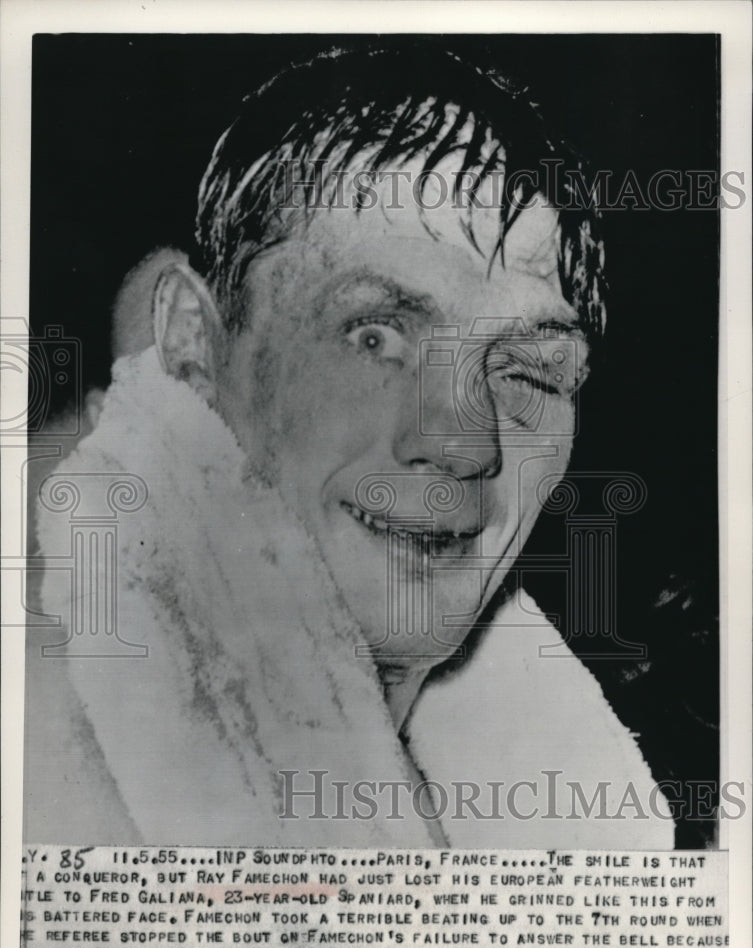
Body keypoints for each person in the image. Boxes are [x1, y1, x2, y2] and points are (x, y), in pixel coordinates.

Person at [24, 44, 673, 848]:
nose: (464, 446)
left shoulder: (596, 831)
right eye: (374, 337)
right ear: (193, 343)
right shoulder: (37, 775)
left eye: (527, 370)